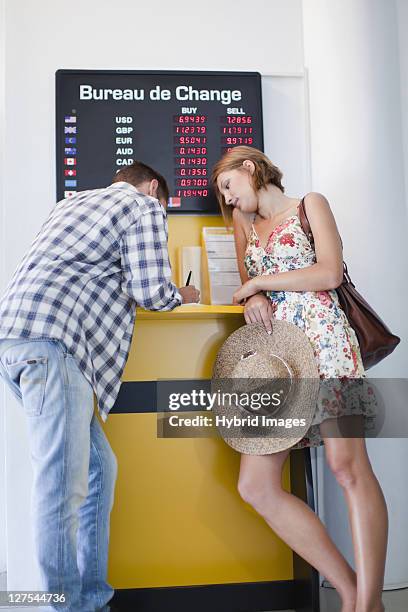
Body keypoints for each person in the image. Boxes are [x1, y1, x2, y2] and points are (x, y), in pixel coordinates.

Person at [0, 161, 199, 612]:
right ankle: (70, 606)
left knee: (97, 469)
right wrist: (183, 294)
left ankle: (91, 599)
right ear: (152, 188)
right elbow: (151, 291)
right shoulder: (142, 205)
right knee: (61, 487)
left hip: (16, 340)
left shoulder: (68, 205)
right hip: (55, 347)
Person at [212, 146, 387, 612]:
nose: (228, 200)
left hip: (326, 340)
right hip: (278, 355)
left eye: (228, 186)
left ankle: (367, 603)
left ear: (249, 167)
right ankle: (350, 589)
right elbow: (249, 288)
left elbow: (328, 272)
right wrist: (252, 297)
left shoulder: (311, 204)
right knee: (257, 486)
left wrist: (260, 285)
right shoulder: (242, 227)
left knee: (347, 468)